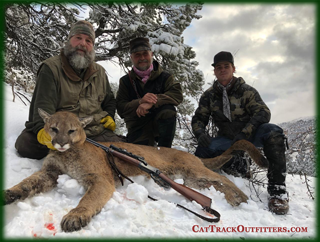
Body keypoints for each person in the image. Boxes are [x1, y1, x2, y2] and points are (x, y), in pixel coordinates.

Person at [192, 51, 289, 215]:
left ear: (233, 68)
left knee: (273, 132)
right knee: (201, 154)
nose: (222, 70)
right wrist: (200, 133)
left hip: (251, 135)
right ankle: (239, 168)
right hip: (227, 138)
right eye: (218, 67)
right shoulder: (208, 95)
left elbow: (263, 113)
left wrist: (245, 132)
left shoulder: (246, 91)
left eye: (226, 66)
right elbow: (199, 118)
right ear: (214, 71)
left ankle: (277, 191)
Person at [15, 20, 122, 160]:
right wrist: (44, 132)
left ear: (92, 47)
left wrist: (109, 116)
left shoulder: (100, 72)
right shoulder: (50, 68)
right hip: (59, 132)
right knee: (26, 144)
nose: (83, 43)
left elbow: (109, 101)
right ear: (69, 40)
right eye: (78, 38)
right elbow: (42, 109)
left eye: (88, 41)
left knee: (123, 149)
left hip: (93, 131)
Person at [116, 37, 183, 148]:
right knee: (140, 158)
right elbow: (120, 108)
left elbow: (176, 94)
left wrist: (152, 102)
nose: (142, 58)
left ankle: (165, 151)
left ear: (151, 54)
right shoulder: (125, 81)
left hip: (160, 125)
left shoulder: (165, 77)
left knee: (168, 110)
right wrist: (139, 102)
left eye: (145, 54)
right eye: (137, 55)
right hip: (138, 126)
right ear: (131, 58)